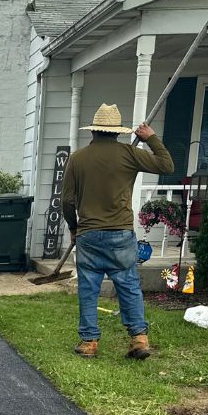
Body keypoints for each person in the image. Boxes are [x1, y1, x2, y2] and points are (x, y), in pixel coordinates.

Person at [62, 104, 174, 359]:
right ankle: (139, 339)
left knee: (88, 288)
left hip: (89, 233)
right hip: (121, 233)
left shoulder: (78, 158)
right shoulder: (129, 153)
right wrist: (151, 138)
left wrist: (73, 227)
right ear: (117, 132)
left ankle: (89, 341)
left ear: (94, 132)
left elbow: (67, 200)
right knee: (128, 285)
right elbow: (166, 166)